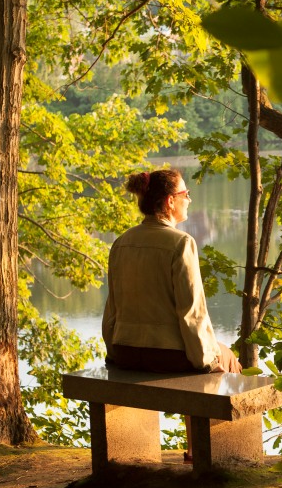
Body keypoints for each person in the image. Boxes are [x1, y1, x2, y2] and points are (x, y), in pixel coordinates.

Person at [102, 168, 242, 461]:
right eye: (184, 194)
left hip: (126, 351)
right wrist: (210, 361)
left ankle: (199, 448)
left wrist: (114, 353)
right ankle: (213, 452)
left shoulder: (121, 242)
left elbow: (112, 310)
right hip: (165, 355)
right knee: (225, 357)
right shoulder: (181, 243)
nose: (189, 199)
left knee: (208, 357)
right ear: (168, 201)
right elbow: (192, 315)